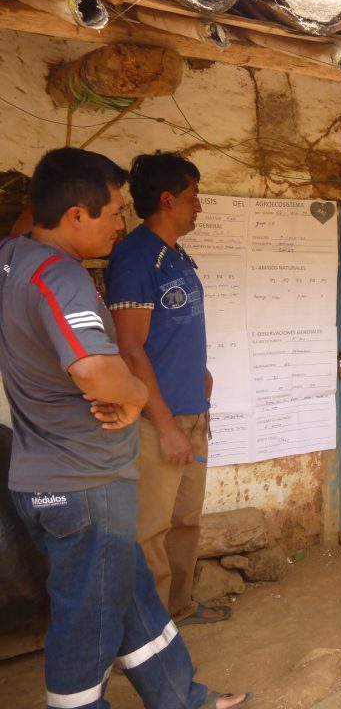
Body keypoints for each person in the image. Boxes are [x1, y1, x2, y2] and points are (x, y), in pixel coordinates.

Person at [0, 148, 248, 709]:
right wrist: (135, 399)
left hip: (46, 470)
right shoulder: (57, 275)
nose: (121, 221)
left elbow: (23, 223)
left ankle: (181, 697)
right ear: (75, 217)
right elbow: (96, 367)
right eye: (112, 211)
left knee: (132, 594)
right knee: (88, 616)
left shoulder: (14, 255)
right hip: (83, 479)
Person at [104, 152, 228, 627]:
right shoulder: (136, 259)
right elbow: (131, 349)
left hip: (192, 411)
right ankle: (147, 636)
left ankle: (178, 609)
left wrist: (202, 376)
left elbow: (174, 330)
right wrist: (165, 425)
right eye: (193, 198)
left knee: (185, 523)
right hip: (160, 422)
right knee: (150, 531)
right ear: (167, 199)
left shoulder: (174, 254)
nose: (198, 207)